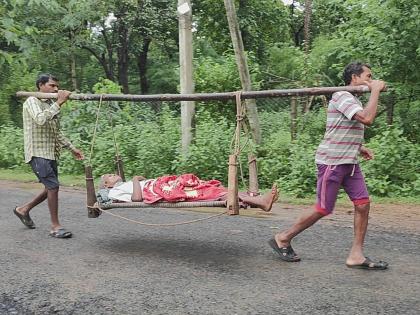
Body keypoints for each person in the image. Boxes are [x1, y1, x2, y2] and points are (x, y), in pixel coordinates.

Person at [269, 62, 389, 270]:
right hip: (332, 162)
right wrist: (376, 90)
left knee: (362, 204)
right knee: (323, 208)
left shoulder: (354, 99)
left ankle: (356, 255)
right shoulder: (341, 95)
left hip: (350, 162)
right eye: (368, 76)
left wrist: (360, 147)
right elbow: (367, 119)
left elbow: (343, 128)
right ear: (354, 78)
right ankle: (283, 237)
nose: (371, 80)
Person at [13, 73, 84, 238]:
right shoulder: (32, 101)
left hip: (50, 153)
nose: (56, 89)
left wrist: (72, 148)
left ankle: (23, 210)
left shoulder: (51, 103)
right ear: (41, 85)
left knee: (50, 187)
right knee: (53, 187)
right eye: (52, 86)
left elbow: (56, 132)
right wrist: (59, 102)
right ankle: (55, 226)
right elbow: (40, 120)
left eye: (56, 86)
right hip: (37, 153)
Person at [100, 173, 279, 212]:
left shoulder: (122, 185)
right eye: (109, 176)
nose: (113, 174)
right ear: (107, 185)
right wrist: (136, 180)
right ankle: (261, 202)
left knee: (208, 188)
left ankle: (260, 201)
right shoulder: (115, 192)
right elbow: (137, 199)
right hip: (160, 190)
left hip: (163, 183)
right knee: (207, 192)